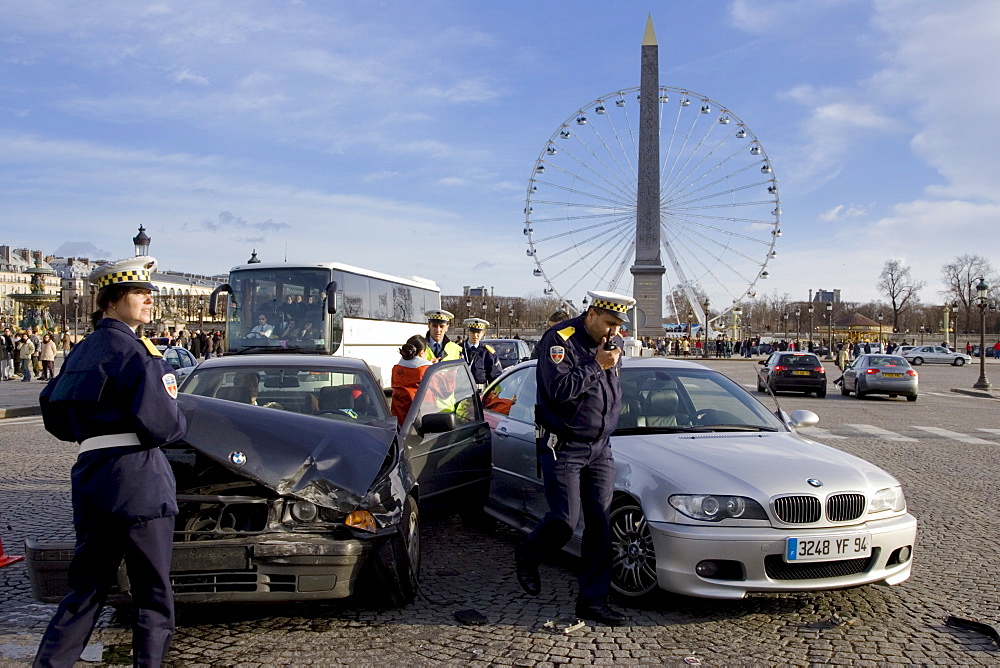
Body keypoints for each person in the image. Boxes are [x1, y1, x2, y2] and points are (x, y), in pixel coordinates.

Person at [33, 255, 186, 668]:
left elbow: (54, 412)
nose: (149, 300)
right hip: (138, 481)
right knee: (153, 595)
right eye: (140, 293)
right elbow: (165, 427)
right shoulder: (139, 352)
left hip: (92, 479)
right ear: (114, 299)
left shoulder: (82, 350)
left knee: (85, 591)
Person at [514, 290, 634, 627]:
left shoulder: (615, 344)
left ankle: (592, 601)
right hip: (564, 445)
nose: (613, 333)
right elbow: (559, 390)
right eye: (609, 324)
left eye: (618, 326)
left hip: (600, 447)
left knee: (600, 523)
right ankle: (530, 552)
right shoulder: (559, 340)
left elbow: (612, 388)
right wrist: (596, 365)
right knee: (565, 520)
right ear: (592, 314)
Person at [390, 335, 433, 425]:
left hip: (397, 416)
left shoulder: (396, 368)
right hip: (417, 420)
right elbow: (443, 391)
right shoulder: (426, 370)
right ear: (422, 352)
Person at [461, 318, 503, 388]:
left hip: (480, 391)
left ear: (483, 333)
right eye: (473, 332)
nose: (475, 336)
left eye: (478, 333)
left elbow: (495, 376)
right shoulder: (458, 349)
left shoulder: (488, 352)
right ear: (467, 332)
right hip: (460, 390)